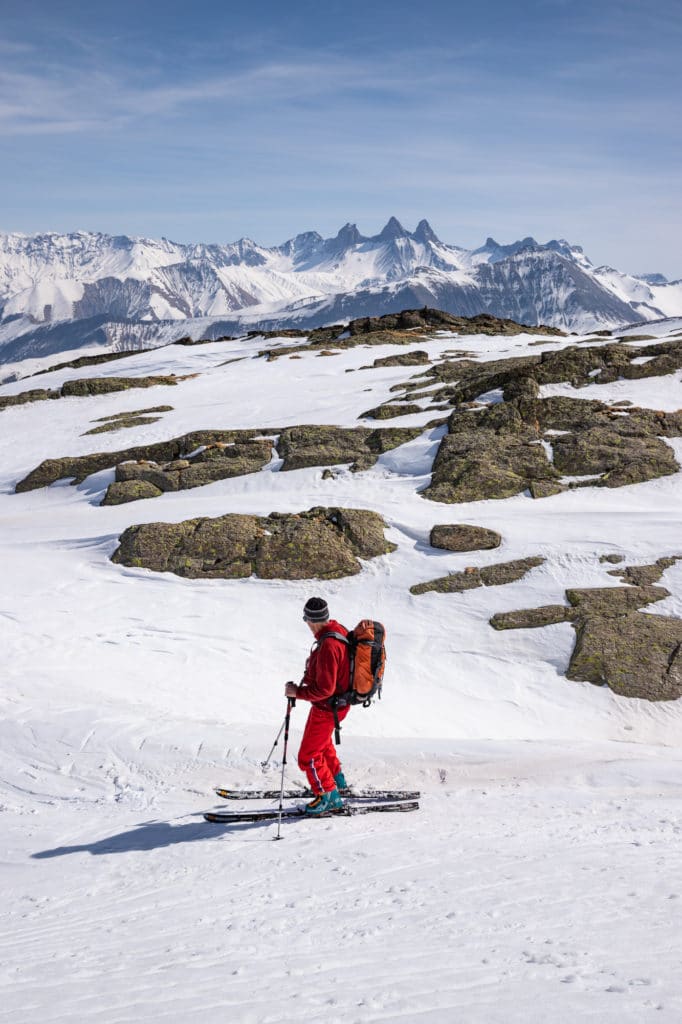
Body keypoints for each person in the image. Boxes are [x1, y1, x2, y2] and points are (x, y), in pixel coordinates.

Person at [284, 597, 351, 815]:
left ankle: (328, 796)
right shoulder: (337, 630)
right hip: (335, 706)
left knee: (308, 756)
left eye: (306, 619)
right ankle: (337, 781)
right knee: (321, 744)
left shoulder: (329, 645)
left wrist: (298, 693)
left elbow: (325, 689)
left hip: (327, 708)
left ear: (310, 620)